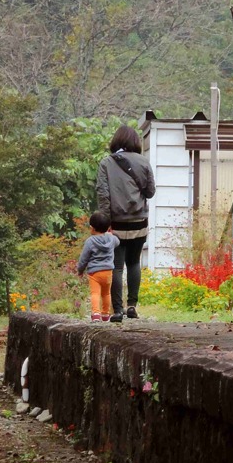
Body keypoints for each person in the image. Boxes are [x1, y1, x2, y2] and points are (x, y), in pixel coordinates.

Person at [96, 125, 155, 322]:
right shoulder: (143, 161)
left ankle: (118, 311)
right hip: (139, 221)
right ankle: (132, 306)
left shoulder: (106, 163)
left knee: (117, 266)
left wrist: (105, 223)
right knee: (134, 262)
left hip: (117, 223)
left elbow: (103, 194)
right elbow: (151, 192)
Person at [76, 211, 120, 322]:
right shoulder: (111, 239)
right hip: (108, 271)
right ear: (108, 228)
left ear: (92, 228)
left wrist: (80, 270)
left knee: (95, 293)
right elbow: (118, 242)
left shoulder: (90, 241)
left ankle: (96, 314)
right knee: (106, 293)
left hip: (94, 273)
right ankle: (106, 315)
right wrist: (110, 234)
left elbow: (83, 258)